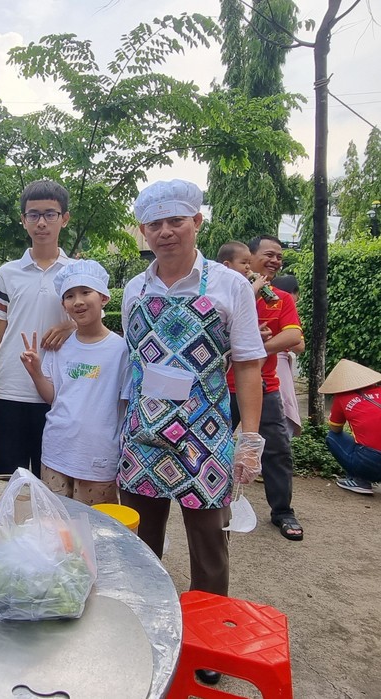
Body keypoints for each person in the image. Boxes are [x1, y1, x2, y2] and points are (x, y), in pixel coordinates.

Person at [118, 180, 265, 604]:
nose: (165, 231)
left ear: (197, 222)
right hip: (143, 436)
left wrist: (250, 438)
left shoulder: (229, 285)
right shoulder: (134, 290)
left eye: (176, 221)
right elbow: (135, 367)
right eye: (155, 223)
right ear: (143, 231)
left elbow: (249, 365)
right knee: (140, 541)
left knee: (209, 546)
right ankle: (146, 622)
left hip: (205, 436)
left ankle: (208, 637)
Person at [20, 260, 130, 506]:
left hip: (98, 454)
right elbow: (52, 397)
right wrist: (36, 372)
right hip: (56, 450)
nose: (78, 301)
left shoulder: (120, 349)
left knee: (96, 530)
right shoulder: (60, 347)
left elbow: (126, 404)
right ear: (63, 305)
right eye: (69, 296)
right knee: (56, 527)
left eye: (85, 292)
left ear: (104, 297)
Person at [0, 180, 76, 477]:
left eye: (50, 214)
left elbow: (92, 324)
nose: (42, 222)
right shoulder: (7, 273)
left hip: (56, 389)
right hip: (10, 389)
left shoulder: (77, 272)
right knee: (7, 480)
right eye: (33, 214)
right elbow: (0, 332)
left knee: (51, 482)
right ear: (23, 220)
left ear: (64, 218)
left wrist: (69, 325)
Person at [226, 235, 304, 541]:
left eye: (279, 258)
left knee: (276, 450)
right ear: (250, 258)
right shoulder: (231, 294)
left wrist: (252, 348)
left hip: (266, 385)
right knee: (214, 446)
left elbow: (294, 338)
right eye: (267, 255)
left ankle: (282, 511)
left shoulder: (281, 299)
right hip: (225, 386)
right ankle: (213, 504)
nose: (274, 261)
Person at [320, 359, 381, 495]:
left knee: (332, 437)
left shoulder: (342, 397)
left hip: (370, 461)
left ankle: (360, 481)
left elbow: (335, 429)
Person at [270, 274, 304, 437]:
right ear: (294, 292)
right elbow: (299, 345)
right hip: (277, 364)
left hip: (257, 361)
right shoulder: (286, 305)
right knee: (282, 407)